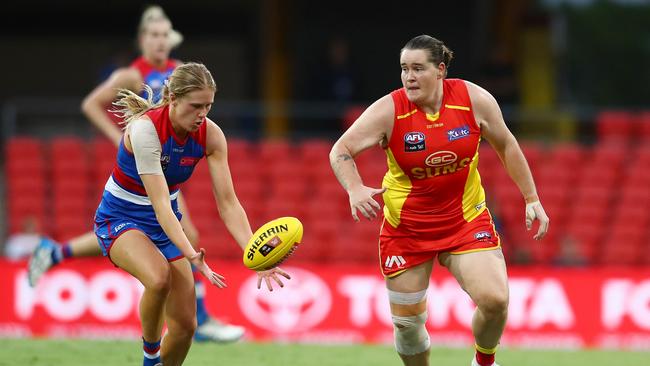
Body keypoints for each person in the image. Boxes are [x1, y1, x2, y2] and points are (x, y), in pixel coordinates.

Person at [27, 5, 246, 343]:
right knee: (178, 235)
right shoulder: (133, 74)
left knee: (185, 234)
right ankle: (199, 319)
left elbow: (227, 201)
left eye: (165, 35)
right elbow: (90, 104)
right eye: (153, 35)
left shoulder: (183, 75)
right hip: (142, 170)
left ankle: (56, 253)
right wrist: (121, 137)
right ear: (142, 39)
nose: (160, 42)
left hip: (167, 175)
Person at [329, 35, 549, 366]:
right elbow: (340, 150)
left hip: (465, 221)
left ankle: (484, 362)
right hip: (408, 232)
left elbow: (506, 144)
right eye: (404, 69)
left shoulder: (473, 99)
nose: (409, 77)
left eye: (418, 68)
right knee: (408, 328)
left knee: (495, 301)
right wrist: (355, 188)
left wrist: (531, 198)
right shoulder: (390, 109)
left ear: (441, 70)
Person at [97, 62, 290, 366]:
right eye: (195, 106)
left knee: (186, 327)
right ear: (173, 98)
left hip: (164, 222)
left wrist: (257, 254)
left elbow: (228, 204)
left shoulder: (211, 135)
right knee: (159, 279)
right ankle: (150, 357)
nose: (202, 114)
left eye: (209, 106)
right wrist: (191, 254)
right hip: (121, 218)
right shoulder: (145, 130)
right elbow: (160, 203)